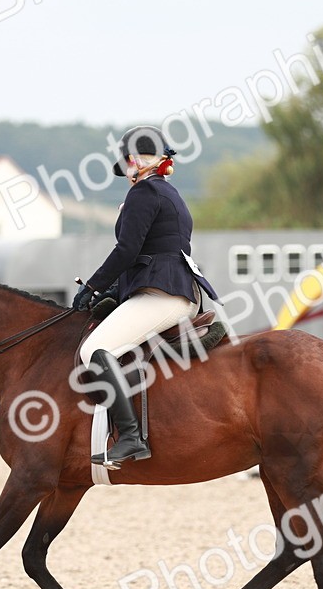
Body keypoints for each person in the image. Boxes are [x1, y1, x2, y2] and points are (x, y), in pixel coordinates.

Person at [72, 125, 219, 468]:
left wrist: (92, 286)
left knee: (95, 349)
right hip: (169, 288)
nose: (126, 173)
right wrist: (113, 290)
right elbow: (148, 253)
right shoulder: (169, 193)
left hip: (163, 294)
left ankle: (130, 437)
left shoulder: (144, 192)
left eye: (126, 165)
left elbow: (126, 250)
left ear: (137, 160)